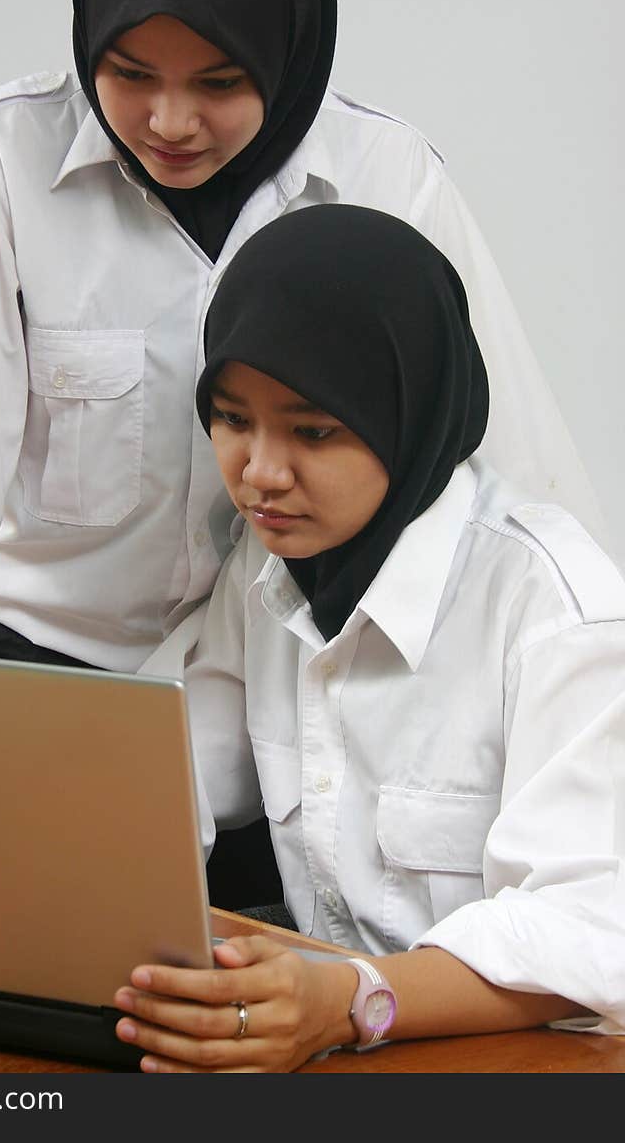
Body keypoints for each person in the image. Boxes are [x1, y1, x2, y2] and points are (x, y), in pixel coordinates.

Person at [0, 0, 606, 907]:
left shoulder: (385, 173)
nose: (167, 122)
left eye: (219, 82)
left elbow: (509, 457)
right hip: (47, 678)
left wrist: (581, 691)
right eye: (127, 75)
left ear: (287, 57)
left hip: (293, 691)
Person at [109, 205, 625, 1072]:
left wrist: (353, 1001)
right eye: (232, 420)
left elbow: (590, 932)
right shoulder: (269, 570)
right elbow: (168, 784)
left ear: (408, 411)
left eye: (313, 431)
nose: (260, 474)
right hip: (333, 1057)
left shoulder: (559, 614)